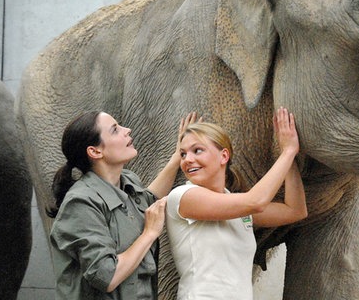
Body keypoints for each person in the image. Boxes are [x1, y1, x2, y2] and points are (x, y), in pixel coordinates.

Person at [48, 110, 198, 299]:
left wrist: (178, 156)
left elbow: (149, 199)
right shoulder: (80, 203)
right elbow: (107, 276)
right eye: (115, 130)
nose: (127, 130)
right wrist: (149, 234)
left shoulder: (127, 181)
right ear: (95, 151)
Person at [166, 107, 308, 300]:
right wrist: (288, 152)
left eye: (197, 150)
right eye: (182, 154)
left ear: (224, 156)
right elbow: (256, 201)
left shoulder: (237, 207)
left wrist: (287, 154)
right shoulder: (183, 196)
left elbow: (295, 210)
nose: (188, 160)